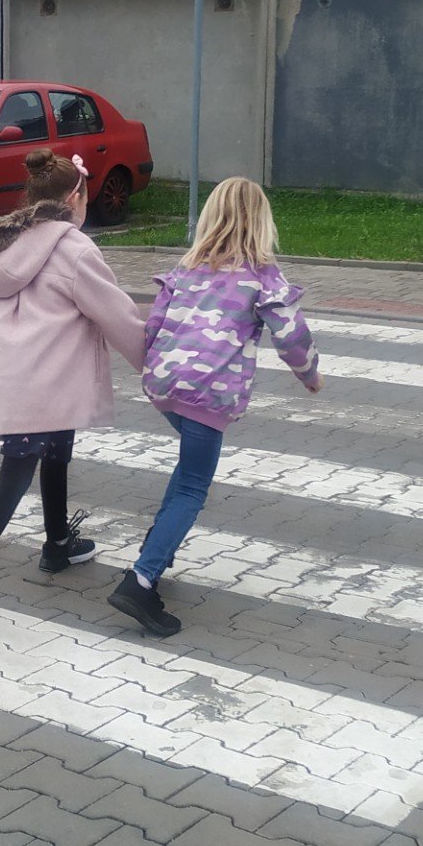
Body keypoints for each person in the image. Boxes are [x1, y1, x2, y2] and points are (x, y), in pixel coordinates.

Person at [0, 149, 145, 629]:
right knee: (17, 472)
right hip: (41, 383)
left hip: (17, 379)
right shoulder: (74, 250)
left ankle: (56, 542)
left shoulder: (6, 244)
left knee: (55, 447)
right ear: (77, 196)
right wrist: (154, 368)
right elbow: (117, 315)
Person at [120, 178, 321, 636]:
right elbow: (291, 336)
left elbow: (153, 326)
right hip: (208, 393)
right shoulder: (263, 274)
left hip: (165, 386)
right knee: (193, 487)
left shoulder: (187, 267)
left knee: (186, 470)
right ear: (262, 222)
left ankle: (157, 552)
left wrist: (156, 371)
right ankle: (141, 580)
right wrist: (310, 376)